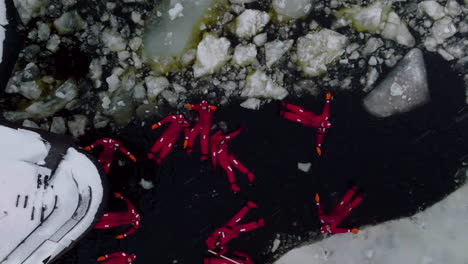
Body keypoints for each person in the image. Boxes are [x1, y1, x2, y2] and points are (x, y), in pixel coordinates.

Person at [210, 127, 254, 192]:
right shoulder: (214, 148)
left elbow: (232, 135)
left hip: (228, 156)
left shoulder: (224, 138)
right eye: (221, 141)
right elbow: (213, 158)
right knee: (230, 170)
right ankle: (233, 185)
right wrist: (214, 167)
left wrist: (239, 130)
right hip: (223, 161)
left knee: (237, 163)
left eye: (223, 140)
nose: (223, 142)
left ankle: (249, 174)